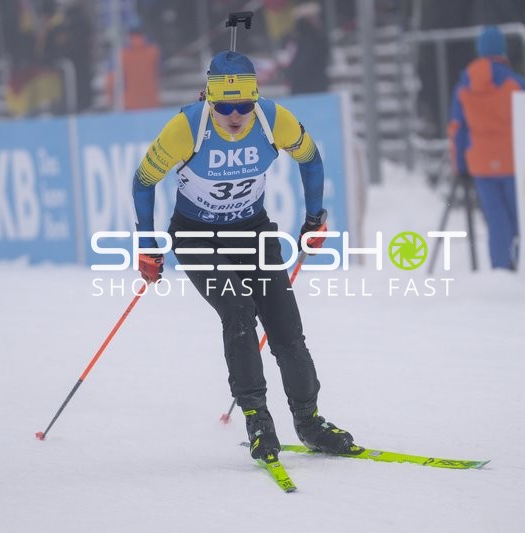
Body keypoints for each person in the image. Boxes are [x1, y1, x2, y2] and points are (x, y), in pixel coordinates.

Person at [131, 50, 357, 462]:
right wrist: (147, 245)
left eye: (243, 105)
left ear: (256, 99)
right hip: (198, 238)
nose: (235, 115)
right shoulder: (186, 128)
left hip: (251, 231)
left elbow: (310, 158)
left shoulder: (273, 120)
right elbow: (143, 181)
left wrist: (314, 219)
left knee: (286, 326)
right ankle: (258, 420)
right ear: (207, 99)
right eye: (223, 106)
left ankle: (309, 422)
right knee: (237, 311)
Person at [448, 26, 525, 271]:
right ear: (503, 50)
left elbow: (457, 129)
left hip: (481, 165)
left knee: (496, 222)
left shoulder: (464, 86)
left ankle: (501, 270)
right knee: (521, 220)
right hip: (515, 162)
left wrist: (460, 166)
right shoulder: (516, 84)